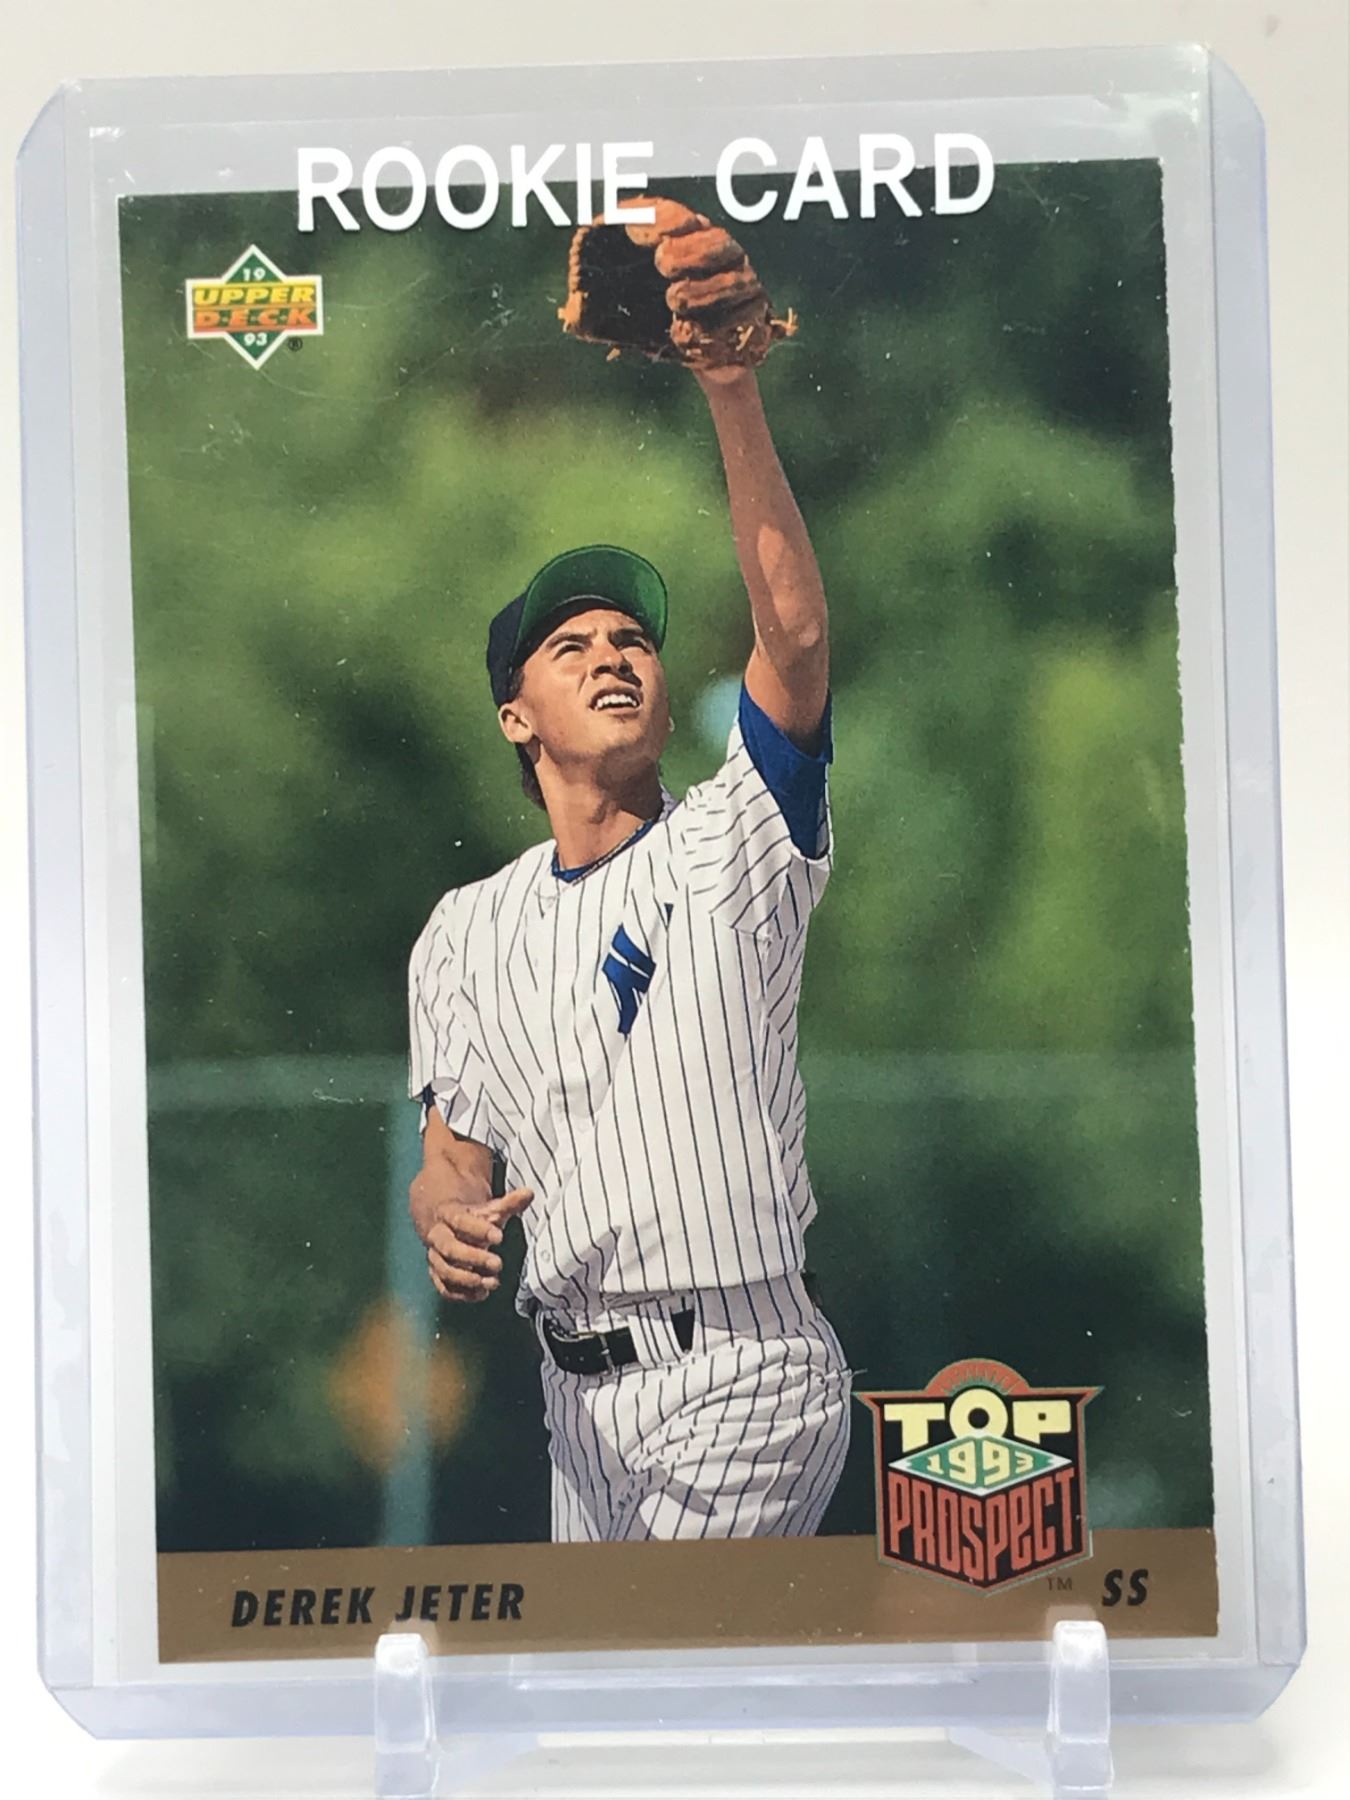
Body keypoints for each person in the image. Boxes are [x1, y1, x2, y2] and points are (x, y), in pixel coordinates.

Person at [407, 364, 850, 1542]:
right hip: (579, 1409)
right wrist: (444, 1210)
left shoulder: (733, 836)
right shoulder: (465, 929)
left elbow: (797, 640)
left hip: (744, 1373)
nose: (613, 656)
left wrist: (733, 389)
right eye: (571, 646)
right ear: (515, 716)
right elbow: (452, 1158)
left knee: (666, 1647)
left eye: (634, 641)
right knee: (613, 1667)